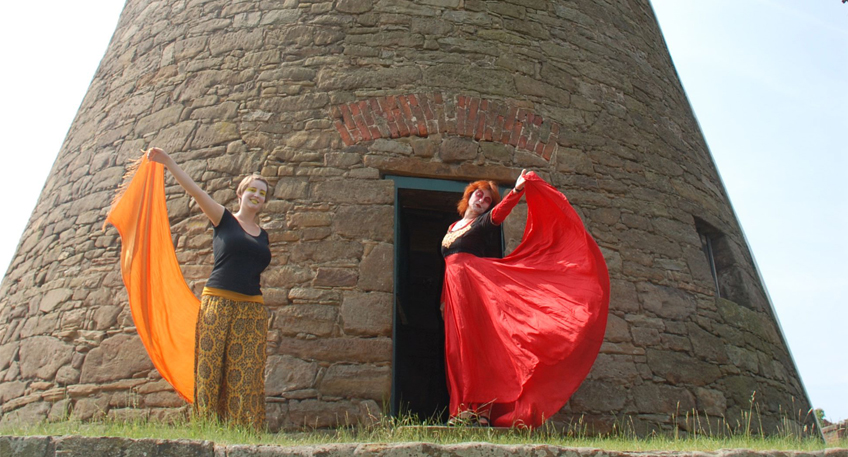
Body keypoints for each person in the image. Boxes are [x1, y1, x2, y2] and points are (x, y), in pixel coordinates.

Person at [440, 170, 610, 428]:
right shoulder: (452, 228)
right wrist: (444, 299)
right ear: (469, 195)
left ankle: (482, 411)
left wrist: (517, 190)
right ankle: (461, 410)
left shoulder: (482, 223)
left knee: (477, 348)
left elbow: (499, 214)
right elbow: (448, 266)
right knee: (455, 350)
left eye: (487, 199)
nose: (482, 200)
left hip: (476, 289)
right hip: (454, 293)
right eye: (479, 194)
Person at [146, 147, 272, 431]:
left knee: (247, 372)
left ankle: (244, 431)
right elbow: (196, 192)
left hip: (252, 309)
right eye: (252, 190)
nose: (257, 196)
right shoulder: (224, 218)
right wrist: (169, 162)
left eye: (262, 193)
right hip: (218, 302)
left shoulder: (263, 235)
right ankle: (206, 427)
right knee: (209, 368)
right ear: (240, 194)